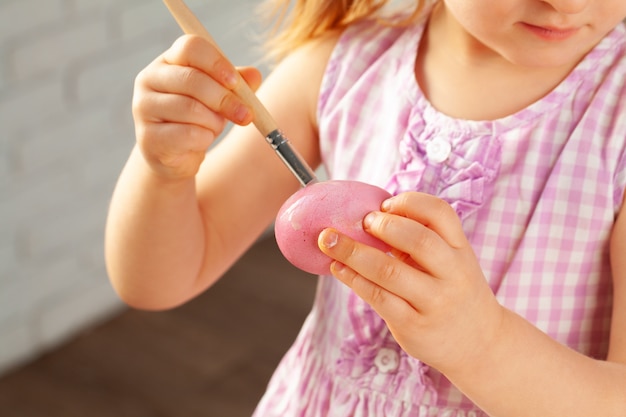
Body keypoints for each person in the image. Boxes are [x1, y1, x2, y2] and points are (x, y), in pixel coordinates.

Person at [105, 0, 626, 415]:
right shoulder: (339, 65)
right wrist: (163, 172)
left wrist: (480, 343)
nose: (567, 2)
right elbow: (157, 282)